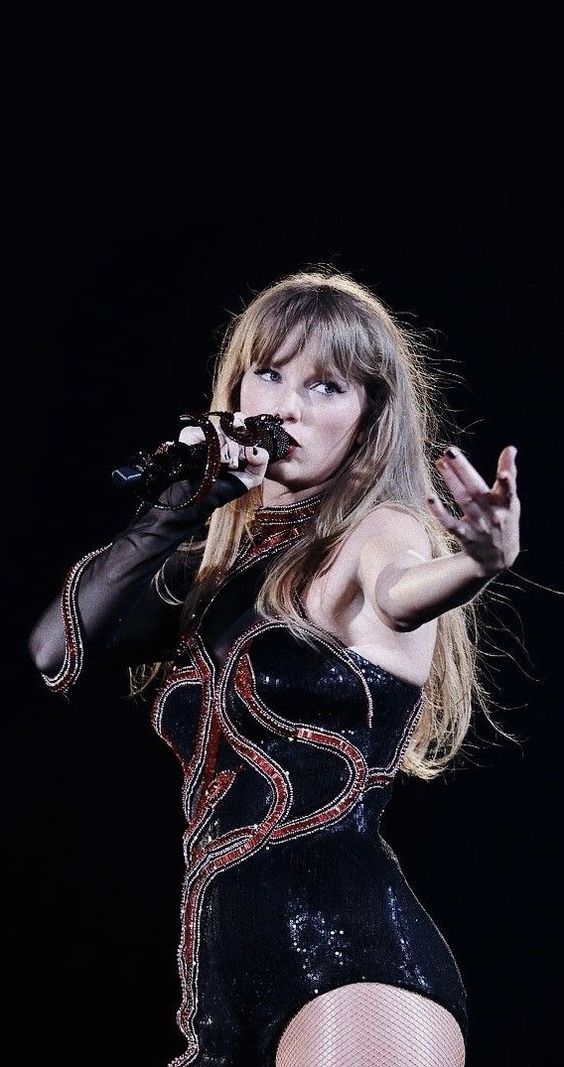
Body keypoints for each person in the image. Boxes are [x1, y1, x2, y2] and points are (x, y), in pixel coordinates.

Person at [28, 266, 521, 1067]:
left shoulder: (379, 533)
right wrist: (179, 506)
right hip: (220, 976)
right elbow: (56, 650)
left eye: (325, 386)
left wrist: (479, 562)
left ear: (367, 420)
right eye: (269, 373)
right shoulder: (209, 575)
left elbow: (403, 595)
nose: (284, 406)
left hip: (352, 956)